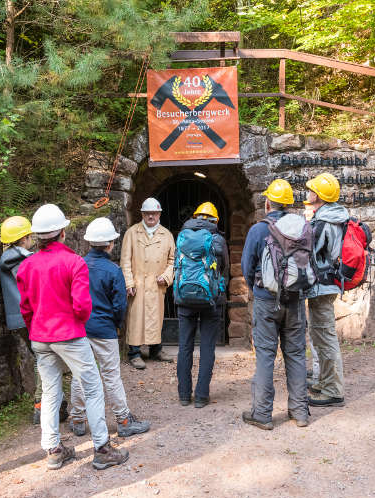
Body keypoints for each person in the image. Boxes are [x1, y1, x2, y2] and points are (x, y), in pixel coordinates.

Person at [16, 204, 128, 470]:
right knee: (92, 387)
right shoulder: (73, 262)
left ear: (37, 237)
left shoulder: (27, 265)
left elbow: (25, 307)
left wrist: (37, 330)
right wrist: (77, 322)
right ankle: (101, 447)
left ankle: (53, 449)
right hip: (70, 334)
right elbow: (82, 306)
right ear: (63, 233)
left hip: (41, 337)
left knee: (51, 391)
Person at [69, 217, 151, 437]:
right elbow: (119, 305)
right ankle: (123, 420)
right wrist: (116, 325)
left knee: (79, 374)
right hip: (105, 329)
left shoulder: (77, 265)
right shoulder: (113, 271)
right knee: (111, 375)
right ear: (110, 244)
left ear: (89, 242)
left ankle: (77, 418)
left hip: (81, 329)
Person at [240, 179, 310, 429]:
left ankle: (262, 414)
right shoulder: (302, 227)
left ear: (267, 202)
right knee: (296, 354)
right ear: (289, 204)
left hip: (266, 300)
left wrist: (259, 289)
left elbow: (247, 267)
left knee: (266, 356)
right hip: (296, 300)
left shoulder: (259, 230)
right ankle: (300, 412)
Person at [0, 216, 68, 426]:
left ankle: (52, 402)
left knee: (43, 358)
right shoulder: (21, 259)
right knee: (43, 359)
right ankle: (41, 404)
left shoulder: (9, 257)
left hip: (19, 317)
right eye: (29, 237)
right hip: (28, 315)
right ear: (24, 238)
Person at [175, 202, 229, 408]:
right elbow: (224, 265)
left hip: (184, 299)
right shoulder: (217, 239)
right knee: (207, 347)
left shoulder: (182, 236)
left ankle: (183, 394)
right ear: (215, 219)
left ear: (196, 216)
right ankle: (201, 396)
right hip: (211, 300)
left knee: (184, 347)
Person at [304, 173, 349, 407]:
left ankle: (333, 390)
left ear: (318, 195)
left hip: (321, 286)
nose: (308, 192)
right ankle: (323, 381)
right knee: (320, 337)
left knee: (325, 337)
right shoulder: (334, 217)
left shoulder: (323, 222)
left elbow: (310, 252)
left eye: (311, 189)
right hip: (327, 284)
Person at [120, 197, 176, 370]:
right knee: (135, 319)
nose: (151, 216)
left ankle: (155, 349)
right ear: (142, 214)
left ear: (159, 214)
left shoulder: (166, 235)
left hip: (156, 284)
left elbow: (172, 261)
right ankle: (134, 353)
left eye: (154, 213)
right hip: (138, 284)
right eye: (148, 213)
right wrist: (129, 282)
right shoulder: (131, 233)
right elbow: (125, 260)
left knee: (155, 318)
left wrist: (166, 277)